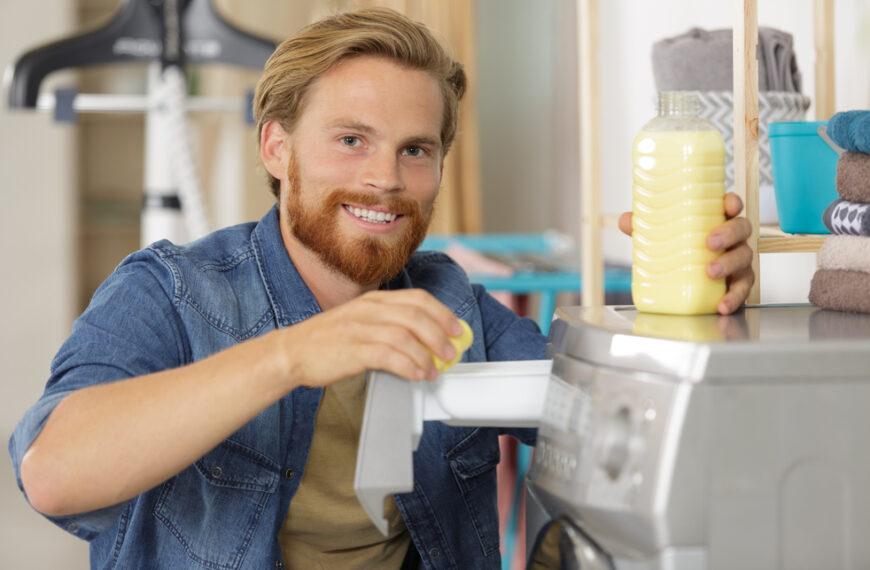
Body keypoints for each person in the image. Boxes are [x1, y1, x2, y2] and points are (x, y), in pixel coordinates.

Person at [9, 7, 754, 569]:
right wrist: (291, 356)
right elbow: (52, 472)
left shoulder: (453, 303)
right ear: (278, 147)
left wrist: (701, 303)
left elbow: (627, 426)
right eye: (351, 139)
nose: (385, 179)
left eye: (416, 150)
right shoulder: (171, 290)